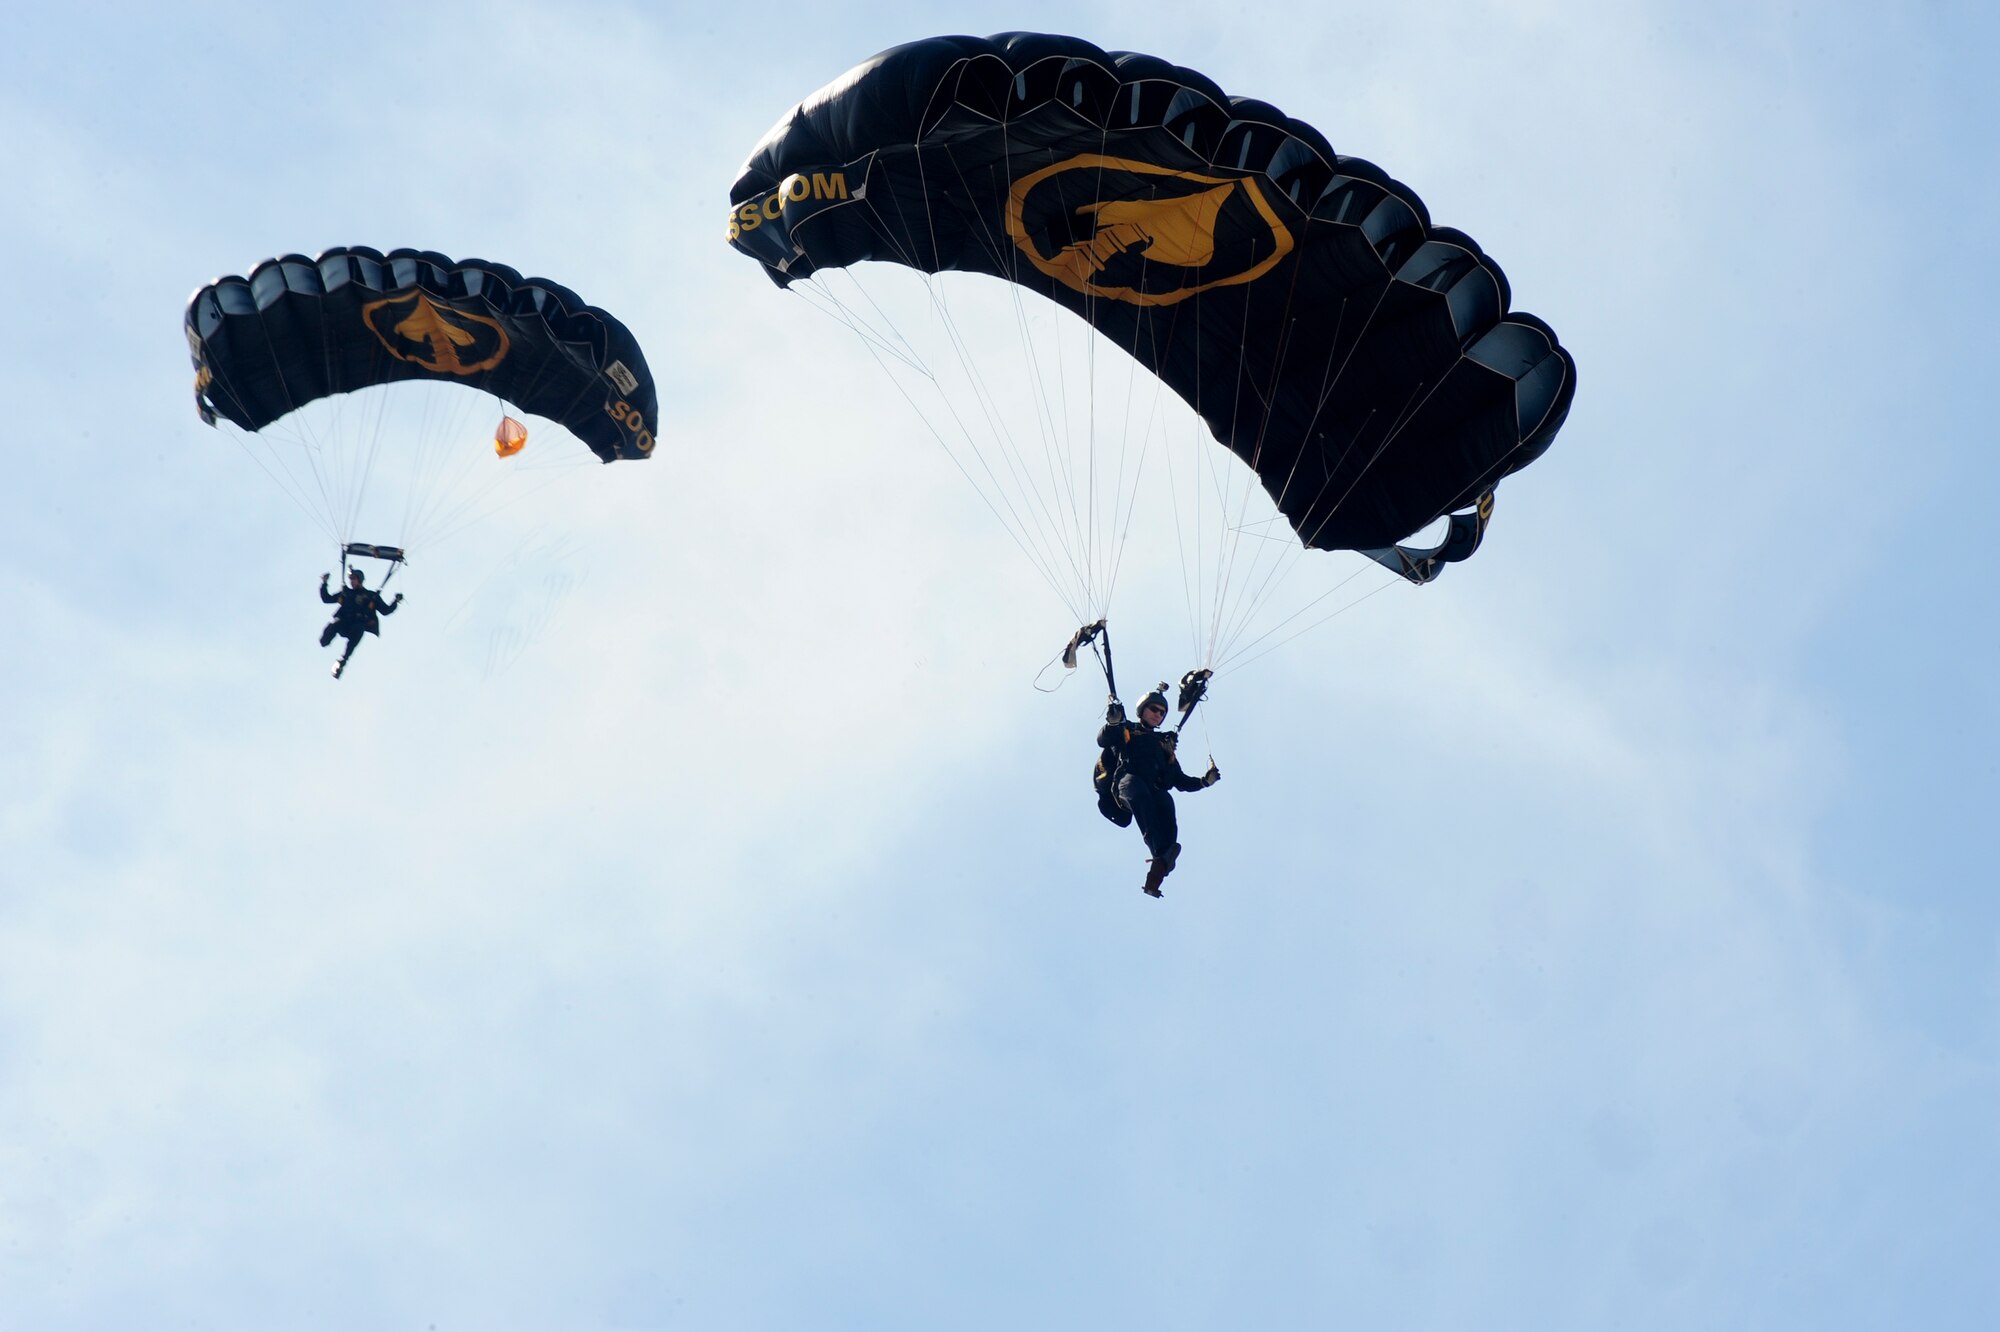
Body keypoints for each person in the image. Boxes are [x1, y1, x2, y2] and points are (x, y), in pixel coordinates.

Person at [1097, 685, 1219, 897]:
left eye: (1162, 712)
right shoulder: (1126, 730)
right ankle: (1159, 853)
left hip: (1152, 788)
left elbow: (1180, 781)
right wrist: (1113, 722)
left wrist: (1204, 782)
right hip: (1127, 784)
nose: (1158, 714)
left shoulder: (1163, 746)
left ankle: (1160, 867)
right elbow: (1103, 740)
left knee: (1165, 801)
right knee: (1141, 793)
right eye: (1154, 709)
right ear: (1142, 710)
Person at [318, 567, 402, 679]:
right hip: (344, 624)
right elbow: (326, 599)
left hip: (355, 627)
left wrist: (395, 601)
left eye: (353, 579)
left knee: (359, 628)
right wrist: (324, 583)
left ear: (359, 580)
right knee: (331, 630)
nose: (351, 581)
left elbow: (385, 611)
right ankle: (325, 640)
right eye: (351, 579)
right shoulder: (346, 593)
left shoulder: (371, 596)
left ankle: (342, 661)